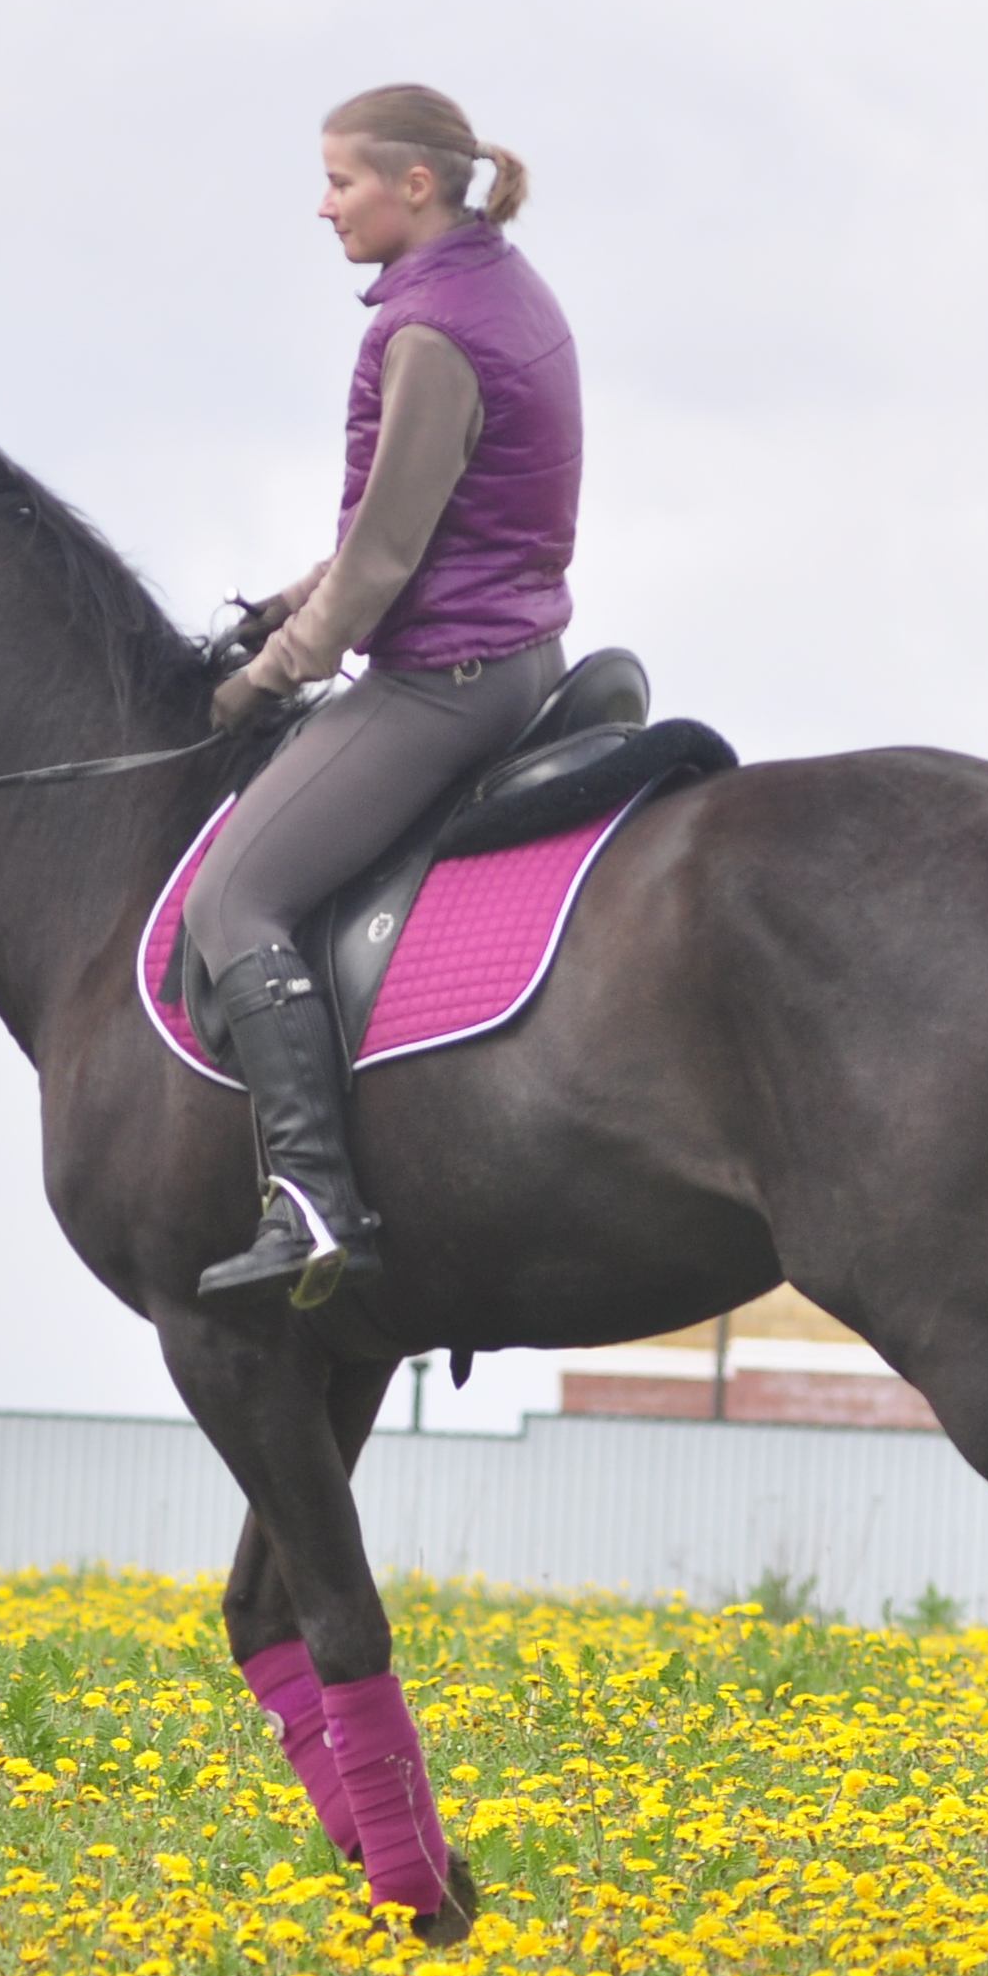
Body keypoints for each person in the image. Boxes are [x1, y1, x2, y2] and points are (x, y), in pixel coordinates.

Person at [186, 83, 583, 1306]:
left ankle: (312, 1200)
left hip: (445, 683)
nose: (323, 206)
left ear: (415, 184)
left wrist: (264, 675)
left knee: (235, 894)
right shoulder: (495, 283)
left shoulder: (426, 334)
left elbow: (381, 563)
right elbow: (403, 521)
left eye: (340, 180)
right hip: (519, 655)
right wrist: (285, 597)